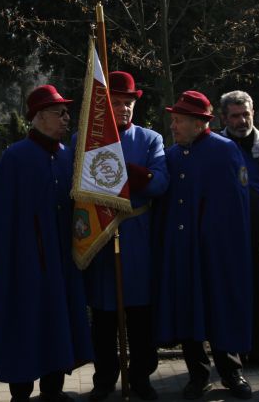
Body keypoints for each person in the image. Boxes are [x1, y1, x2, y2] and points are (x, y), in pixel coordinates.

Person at [0, 85, 93, 402]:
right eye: (59, 113)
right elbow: (2, 220)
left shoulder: (66, 158)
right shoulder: (15, 157)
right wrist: (10, 265)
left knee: (57, 321)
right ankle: (20, 392)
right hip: (26, 261)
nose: (66, 118)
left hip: (61, 259)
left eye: (66, 112)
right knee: (26, 322)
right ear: (39, 117)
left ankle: (52, 389)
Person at [154, 90, 253, 400]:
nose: (174, 126)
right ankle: (198, 375)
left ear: (199, 123)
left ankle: (231, 372)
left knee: (219, 305)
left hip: (216, 250)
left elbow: (237, 204)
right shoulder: (170, 155)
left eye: (179, 120)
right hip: (181, 250)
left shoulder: (224, 151)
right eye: (173, 120)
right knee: (188, 310)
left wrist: (224, 244)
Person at [79, 71, 169, 401]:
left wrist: (122, 170)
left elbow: (160, 183)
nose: (124, 109)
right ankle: (104, 378)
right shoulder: (85, 140)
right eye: (116, 103)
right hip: (101, 237)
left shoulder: (150, 140)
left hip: (137, 236)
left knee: (140, 316)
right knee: (103, 317)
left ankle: (142, 377)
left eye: (129, 103)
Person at [219, 90, 259, 371]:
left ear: (253, 113)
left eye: (246, 114)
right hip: (227, 237)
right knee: (232, 294)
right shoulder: (216, 145)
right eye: (235, 115)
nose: (242, 120)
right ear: (224, 118)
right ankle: (235, 354)